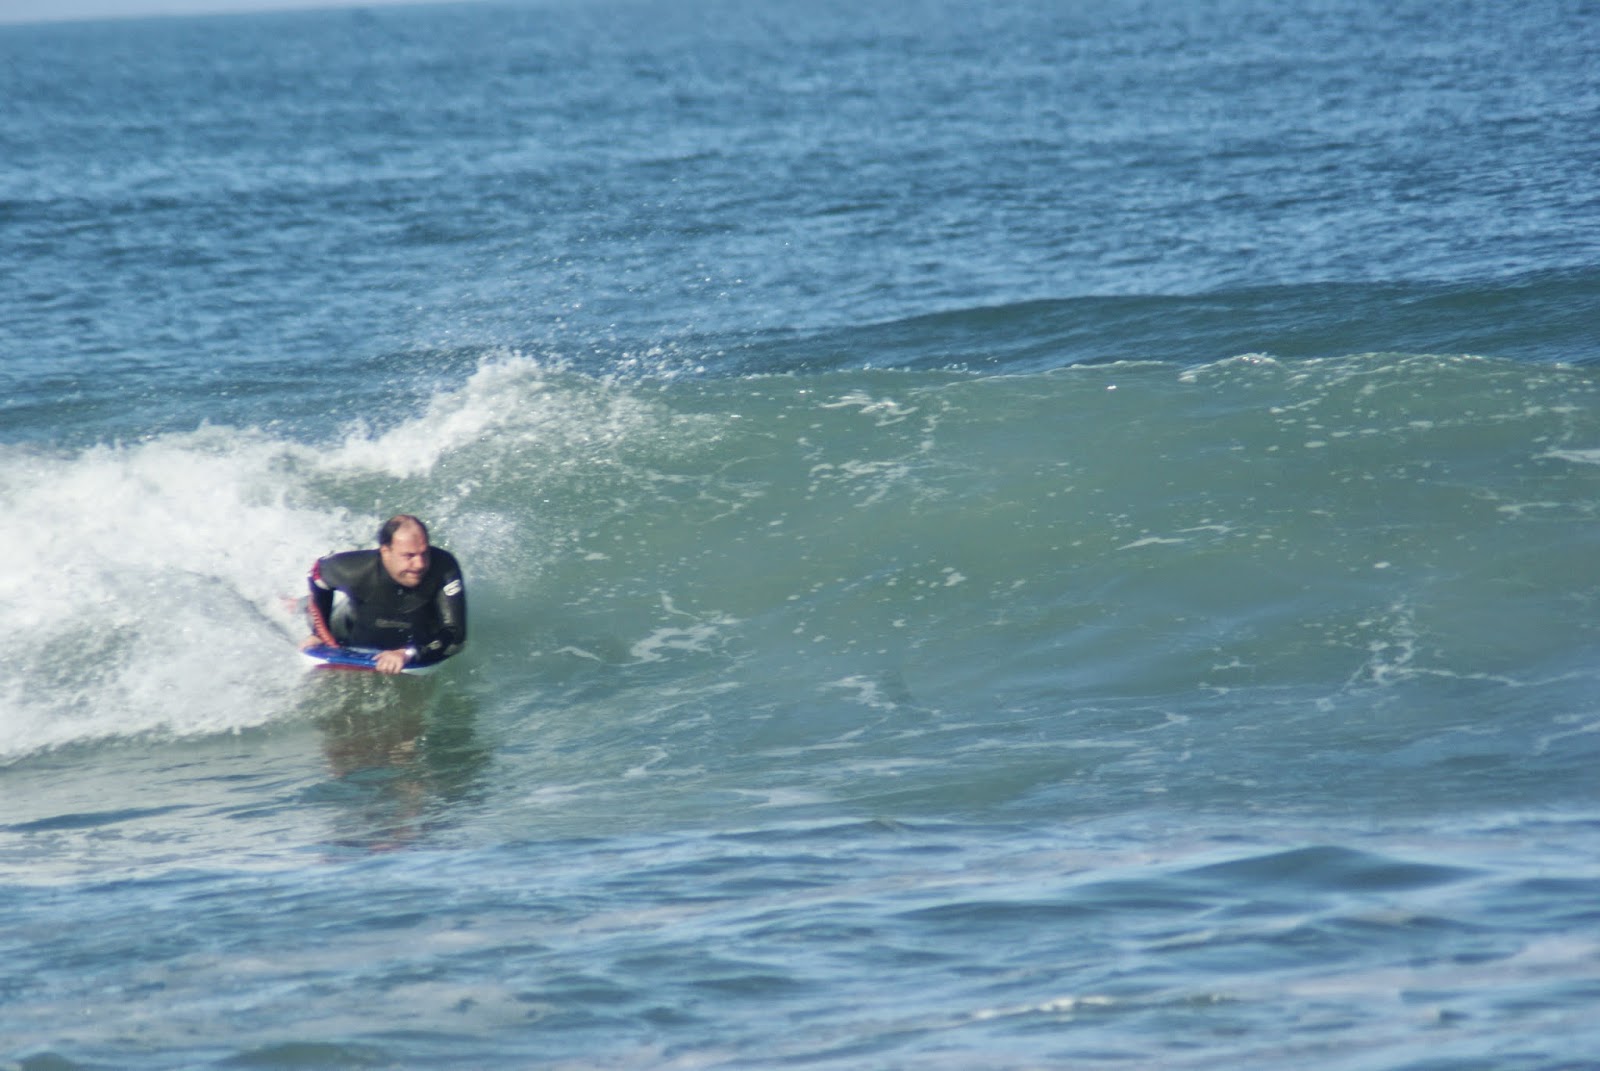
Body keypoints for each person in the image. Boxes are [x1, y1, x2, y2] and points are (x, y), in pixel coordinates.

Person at [302, 514, 467, 674]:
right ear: (385, 551)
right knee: (305, 608)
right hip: (349, 631)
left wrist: (408, 653)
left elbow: (456, 636)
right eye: (409, 555)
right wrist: (319, 634)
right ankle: (296, 603)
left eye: (424, 553)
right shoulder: (355, 569)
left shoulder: (443, 566)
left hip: (416, 642)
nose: (420, 564)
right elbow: (316, 574)